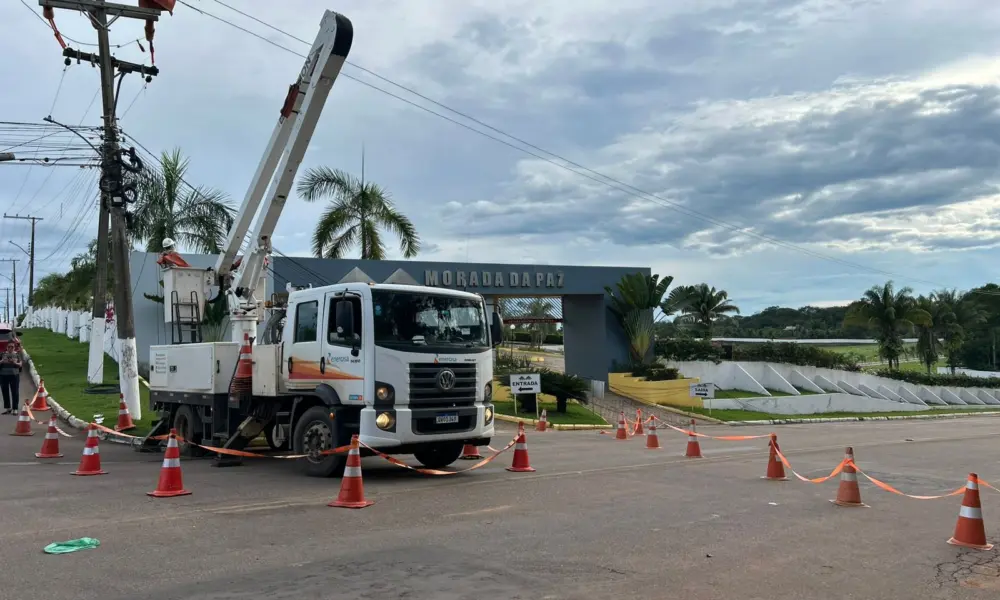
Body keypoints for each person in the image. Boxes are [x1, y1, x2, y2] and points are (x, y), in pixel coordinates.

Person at [0, 332, 22, 414]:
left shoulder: (17, 355)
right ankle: (7, 408)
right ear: (6, 347)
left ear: (14, 347)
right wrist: (2, 361)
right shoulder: (2, 354)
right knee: (5, 391)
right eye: (9, 347)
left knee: (15, 392)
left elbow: (20, 365)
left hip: (14, 375)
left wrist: (15, 363)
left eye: (12, 347)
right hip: (3, 376)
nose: (10, 348)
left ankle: (15, 408)